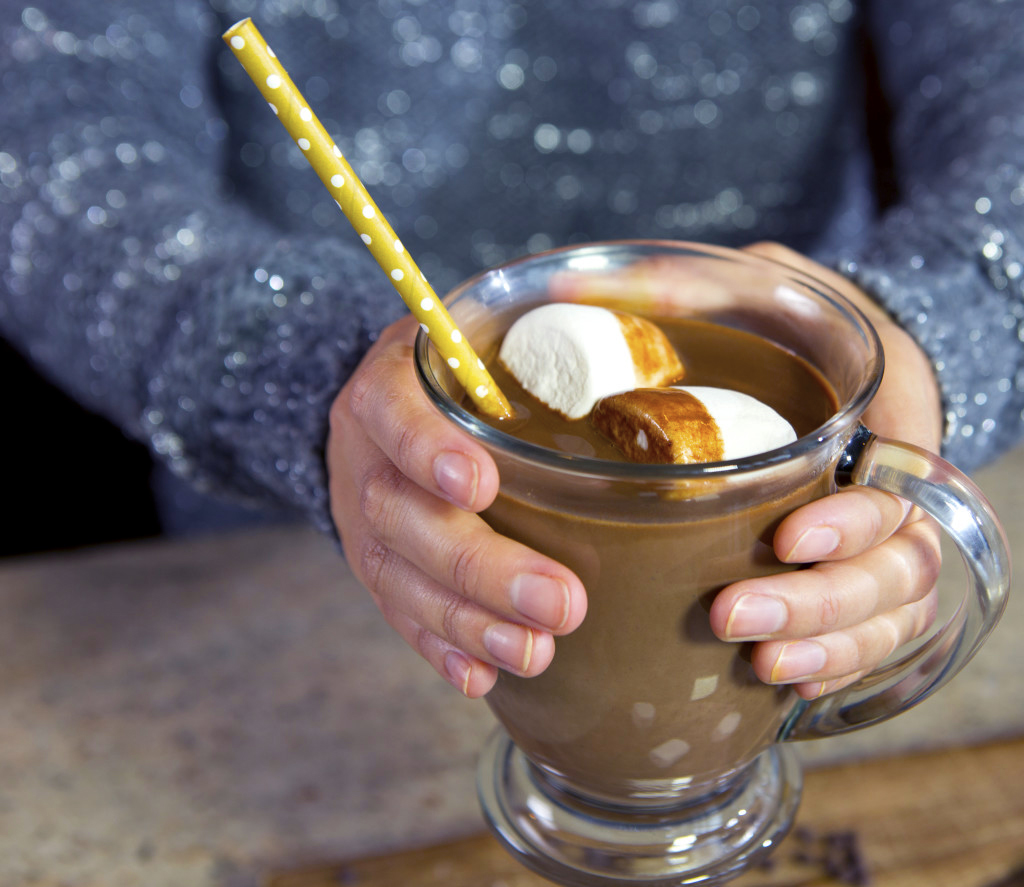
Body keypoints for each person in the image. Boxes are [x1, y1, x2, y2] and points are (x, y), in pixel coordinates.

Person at [1, 1, 1021, 700]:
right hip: (256, 588)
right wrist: (297, 367)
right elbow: (44, 128)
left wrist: (942, 321)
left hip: (794, 511)